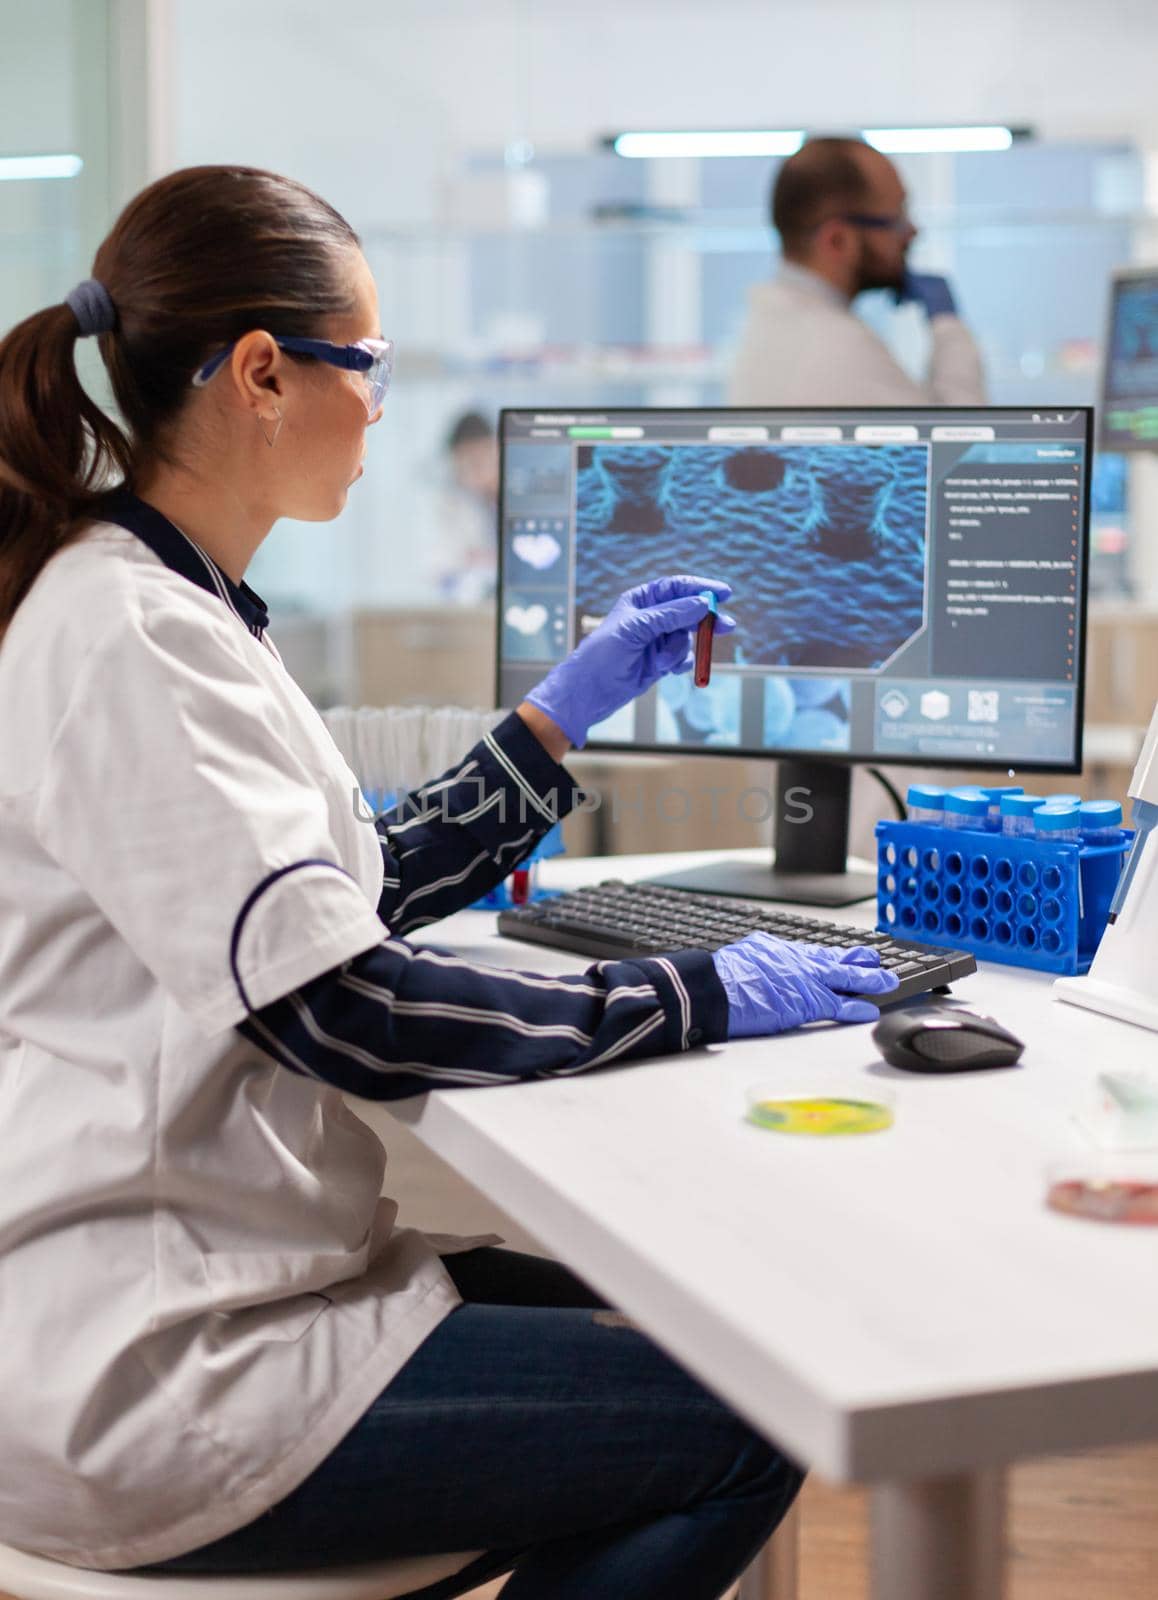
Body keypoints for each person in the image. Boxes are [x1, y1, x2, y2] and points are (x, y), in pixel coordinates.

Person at [0, 165, 897, 1599]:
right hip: (163, 1360)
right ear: (260, 376)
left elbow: (339, 895)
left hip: (234, 1272)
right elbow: (347, 1012)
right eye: (373, 366)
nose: (384, 404)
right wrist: (688, 991)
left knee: (728, 1330)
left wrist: (556, 719)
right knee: (749, 1417)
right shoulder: (125, 638)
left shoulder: (174, 604)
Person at [729, 135, 987, 406]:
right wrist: (948, 328)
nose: (912, 232)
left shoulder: (780, 325)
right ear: (836, 241)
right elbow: (958, 441)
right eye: (896, 219)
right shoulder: (836, 348)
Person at [430, 409, 500, 603]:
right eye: (463, 465)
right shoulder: (455, 505)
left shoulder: (521, 499)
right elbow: (443, 568)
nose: (470, 473)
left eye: (477, 461)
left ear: (496, 450)